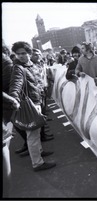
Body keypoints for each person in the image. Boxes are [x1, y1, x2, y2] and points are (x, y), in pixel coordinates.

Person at [9, 41, 56, 171]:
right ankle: (37, 163)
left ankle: (39, 152)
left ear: (29, 53)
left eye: (23, 53)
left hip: (36, 102)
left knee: (37, 131)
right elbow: (16, 84)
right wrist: (14, 97)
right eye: (18, 54)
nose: (20, 56)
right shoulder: (19, 68)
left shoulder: (30, 65)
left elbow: (36, 83)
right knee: (32, 135)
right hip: (30, 105)